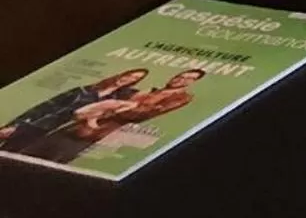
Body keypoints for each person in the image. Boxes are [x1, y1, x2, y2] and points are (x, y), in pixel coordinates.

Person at [8, 68, 206, 166]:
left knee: (51, 161)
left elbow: (143, 114)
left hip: (93, 132)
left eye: (188, 78)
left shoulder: (181, 97)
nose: (181, 78)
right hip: (71, 126)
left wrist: (112, 111)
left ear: (192, 83)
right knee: (27, 153)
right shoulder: (139, 90)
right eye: (181, 75)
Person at [0, 68, 146, 152]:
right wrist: (16, 125)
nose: (129, 79)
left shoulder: (117, 99)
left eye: (134, 79)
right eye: (129, 75)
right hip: (38, 126)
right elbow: (45, 107)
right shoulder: (83, 90)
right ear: (122, 74)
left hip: (62, 136)